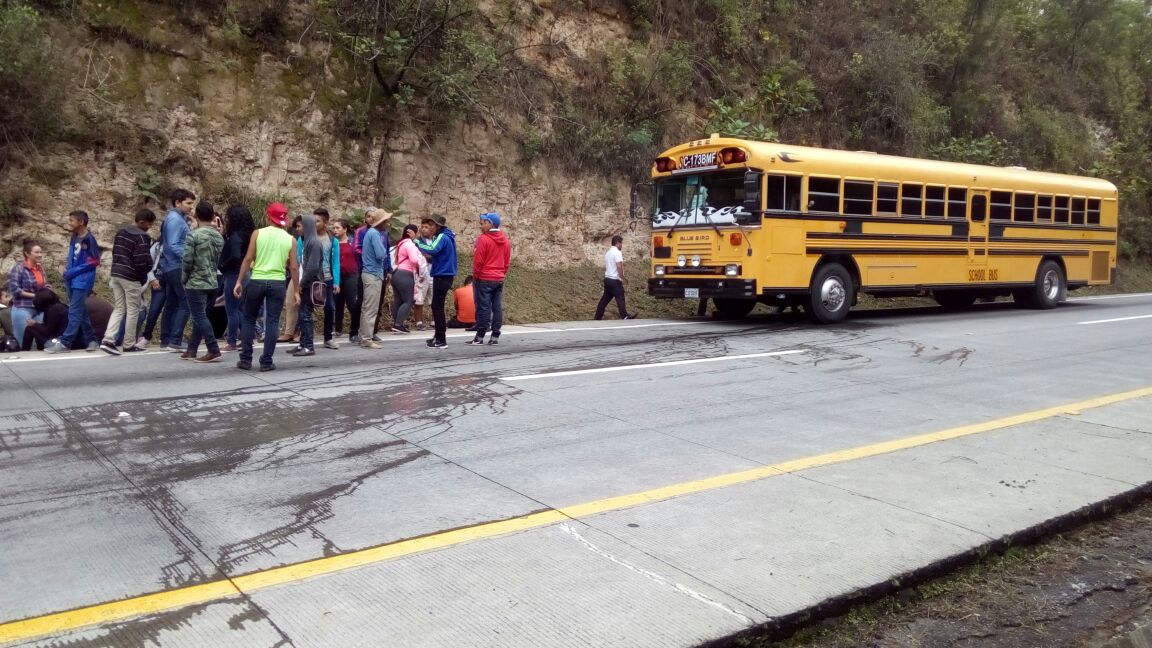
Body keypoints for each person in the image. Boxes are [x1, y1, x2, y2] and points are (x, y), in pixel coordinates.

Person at [234, 202, 298, 371]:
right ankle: (266, 361)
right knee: (272, 321)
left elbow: (248, 259)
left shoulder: (258, 233)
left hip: (257, 280)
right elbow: (293, 267)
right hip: (278, 282)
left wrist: (239, 281)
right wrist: (297, 290)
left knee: (249, 318)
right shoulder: (291, 239)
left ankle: (246, 359)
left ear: (268, 216)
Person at [100, 209, 155, 355]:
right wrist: (143, 274)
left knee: (119, 308)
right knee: (133, 309)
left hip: (116, 273)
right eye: (149, 224)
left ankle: (108, 340)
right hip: (131, 277)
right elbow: (142, 260)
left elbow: (115, 253)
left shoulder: (121, 232)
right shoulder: (142, 237)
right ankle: (129, 344)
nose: (149, 228)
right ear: (142, 222)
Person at [46, 211, 101, 353]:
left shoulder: (89, 239)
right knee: (80, 310)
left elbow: (94, 261)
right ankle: (92, 339)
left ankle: (65, 343)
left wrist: (73, 272)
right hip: (71, 279)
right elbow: (72, 256)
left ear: (81, 222)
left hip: (82, 280)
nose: (69, 223)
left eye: (72, 221)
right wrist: (67, 273)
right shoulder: (74, 237)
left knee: (74, 311)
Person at [181, 201, 224, 363]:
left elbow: (187, 261)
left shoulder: (194, 235)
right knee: (203, 316)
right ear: (213, 216)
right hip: (213, 281)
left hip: (196, 282)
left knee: (199, 316)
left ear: (196, 216)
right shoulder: (219, 237)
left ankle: (213, 348)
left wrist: (184, 279)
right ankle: (192, 349)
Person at [158, 188, 196, 351]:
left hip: (170, 266)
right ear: (177, 203)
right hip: (177, 266)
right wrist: (189, 258)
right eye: (188, 203)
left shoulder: (176, 218)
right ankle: (175, 339)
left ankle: (166, 339)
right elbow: (174, 244)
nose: (191, 207)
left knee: (172, 303)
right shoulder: (175, 220)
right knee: (186, 302)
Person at [468, 212, 511, 345]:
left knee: (483, 307)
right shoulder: (505, 240)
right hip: (498, 278)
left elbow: (478, 260)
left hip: (484, 277)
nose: (482, 225)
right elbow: (506, 261)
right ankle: (495, 336)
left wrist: (476, 275)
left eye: (484, 223)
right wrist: (502, 273)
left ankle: (480, 336)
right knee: (497, 306)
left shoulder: (483, 239)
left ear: (490, 223)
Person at [415, 213, 457, 348]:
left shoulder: (442, 236)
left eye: (432, 225)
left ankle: (441, 339)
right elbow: (440, 255)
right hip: (445, 274)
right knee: (437, 306)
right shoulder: (446, 236)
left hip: (442, 275)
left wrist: (415, 241)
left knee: (437, 307)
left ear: (438, 226)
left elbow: (433, 249)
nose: (430, 228)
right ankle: (437, 336)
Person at [218, 204, 255, 352]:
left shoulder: (235, 236)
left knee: (231, 309)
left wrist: (222, 266)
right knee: (240, 309)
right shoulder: (247, 235)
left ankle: (231, 341)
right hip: (245, 273)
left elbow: (234, 256)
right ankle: (248, 338)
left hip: (234, 274)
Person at [290, 214, 325, 357]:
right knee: (302, 314)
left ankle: (308, 346)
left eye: (299, 226)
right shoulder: (307, 242)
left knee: (305, 315)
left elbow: (312, 268)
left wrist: (301, 284)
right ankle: (302, 344)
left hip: (311, 283)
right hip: (307, 283)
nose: (297, 229)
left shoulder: (314, 243)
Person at [357, 209, 392, 349]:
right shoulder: (375, 234)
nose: (387, 224)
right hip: (374, 274)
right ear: (381, 222)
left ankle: (363, 336)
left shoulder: (369, 233)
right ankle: (366, 338)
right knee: (371, 309)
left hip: (367, 273)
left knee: (366, 308)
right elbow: (380, 253)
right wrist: (384, 252)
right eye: (385, 221)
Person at [7, 240, 48, 346]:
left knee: (40, 342)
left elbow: (45, 285)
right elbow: (15, 289)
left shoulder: (40, 268)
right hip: (23, 308)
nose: (40, 255)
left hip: (39, 308)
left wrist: (48, 293)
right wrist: (36, 295)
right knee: (22, 342)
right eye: (36, 252)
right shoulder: (19, 268)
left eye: (40, 252)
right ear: (27, 253)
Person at [312, 208, 341, 350]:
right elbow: (299, 257)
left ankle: (328, 338)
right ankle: (304, 339)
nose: (314, 224)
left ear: (325, 222)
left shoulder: (332, 240)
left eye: (317, 221)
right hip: (311, 278)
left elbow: (335, 261)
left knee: (330, 307)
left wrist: (336, 281)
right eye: (313, 221)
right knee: (307, 308)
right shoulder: (306, 237)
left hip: (327, 277)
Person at [390, 224, 424, 334]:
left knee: (398, 301)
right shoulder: (409, 244)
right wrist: (420, 267)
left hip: (396, 274)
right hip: (405, 274)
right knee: (408, 301)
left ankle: (397, 324)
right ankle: (398, 324)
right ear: (413, 233)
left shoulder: (400, 244)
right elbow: (414, 260)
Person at [594, 235, 637, 321]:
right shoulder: (617, 252)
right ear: (617, 243)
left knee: (605, 299)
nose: (622, 245)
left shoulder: (608, 252)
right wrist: (622, 277)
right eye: (621, 243)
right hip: (615, 280)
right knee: (620, 298)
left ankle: (597, 316)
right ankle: (624, 316)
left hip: (607, 279)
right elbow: (619, 267)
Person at [332, 218, 361, 343]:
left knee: (351, 303)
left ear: (345, 229)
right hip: (337, 276)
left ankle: (354, 331)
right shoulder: (332, 242)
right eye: (334, 228)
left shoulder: (352, 241)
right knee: (337, 303)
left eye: (338, 228)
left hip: (351, 274)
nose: (335, 230)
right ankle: (337, 329)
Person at [277, 215, 305, 342]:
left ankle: (302, 333)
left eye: (300, 226)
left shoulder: (312, 241)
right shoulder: (298, 239)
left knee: (305, 306)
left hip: (305, 276)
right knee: (290, 302)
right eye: (297, 226)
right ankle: (289, 332)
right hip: (297, 274)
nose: (298, 228)